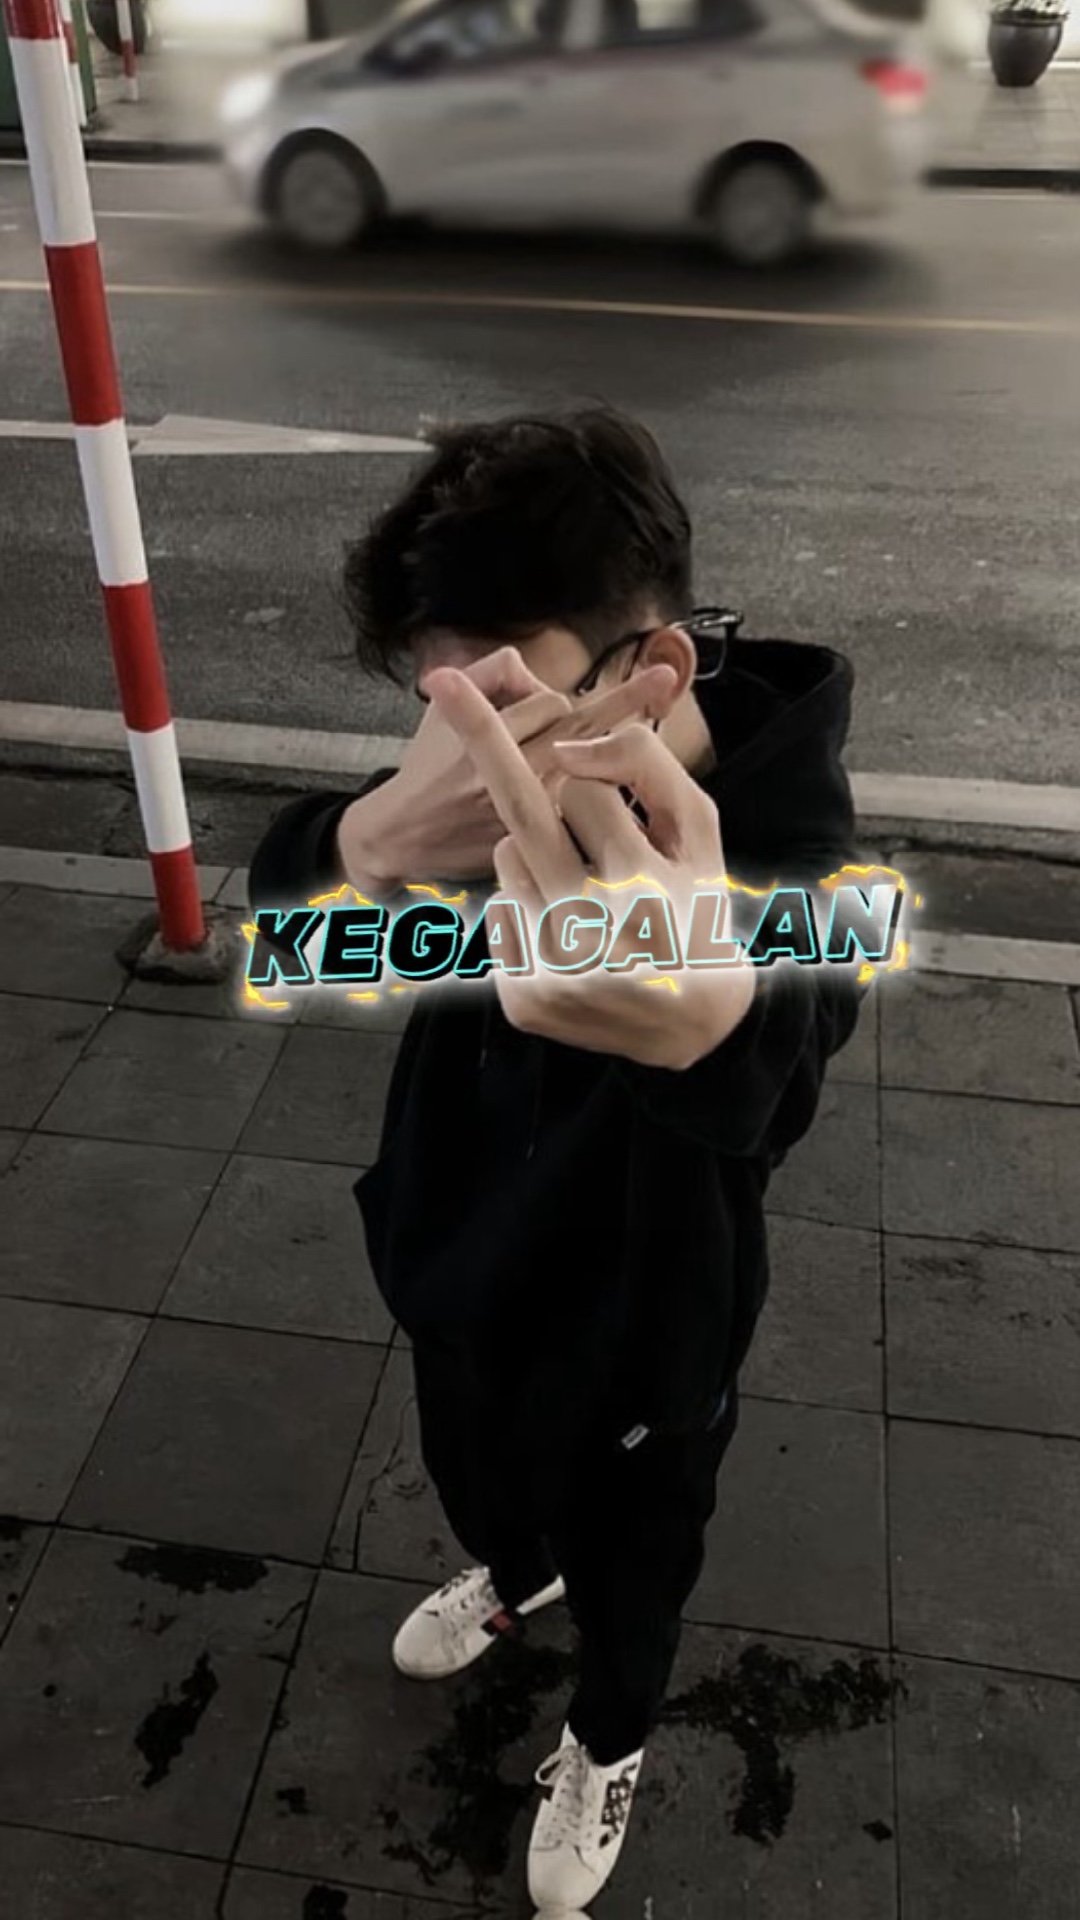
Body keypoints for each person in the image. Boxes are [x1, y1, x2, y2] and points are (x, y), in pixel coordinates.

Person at [248, 407, 866, 1912]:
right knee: (477, 1477)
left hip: (646, 1321)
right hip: (450, 1253)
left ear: (655, 666)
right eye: (437, 708)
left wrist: (720, 1024)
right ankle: (514, 1573)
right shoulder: (470, 776)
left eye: (502, 707)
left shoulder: (791, 830)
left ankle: (607, 1737)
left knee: (636, 1566)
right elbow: (304, 945)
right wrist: (373, 839)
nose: (467, 756)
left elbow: (796, 1045)